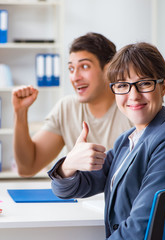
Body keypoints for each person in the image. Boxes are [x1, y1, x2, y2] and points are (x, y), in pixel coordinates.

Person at [48, 42, 165, 239]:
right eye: (122, 86)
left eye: (144, 83)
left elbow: (141, 229)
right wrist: (69, 165)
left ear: (163, 86)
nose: (133, 96)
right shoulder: (127, 141)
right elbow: (68, 190)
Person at [12, 32, 133, 177]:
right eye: (71, 68)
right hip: (81, 198)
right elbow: (27, 168)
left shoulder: (131, 107)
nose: (75, 77)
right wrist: (20, 113)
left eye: (85, 66)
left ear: (108, 70)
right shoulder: (67, 108)